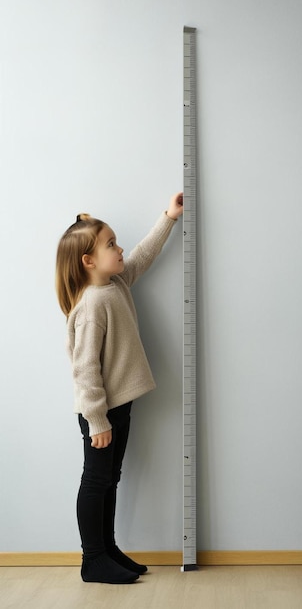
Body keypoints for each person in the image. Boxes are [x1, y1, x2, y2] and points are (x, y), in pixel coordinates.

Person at [55, 192, 183, 584]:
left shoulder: (115, 283)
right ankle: (92, 559)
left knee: (111, 478)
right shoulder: (93, 305)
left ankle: (108, 549)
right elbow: (85, 371)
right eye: (111, 244)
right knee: (96, 480)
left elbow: (142, 255)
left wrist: (168, 217)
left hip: (118, 406)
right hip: (101, 412)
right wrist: (96, 421)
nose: (120, 247)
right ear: (88, 261)